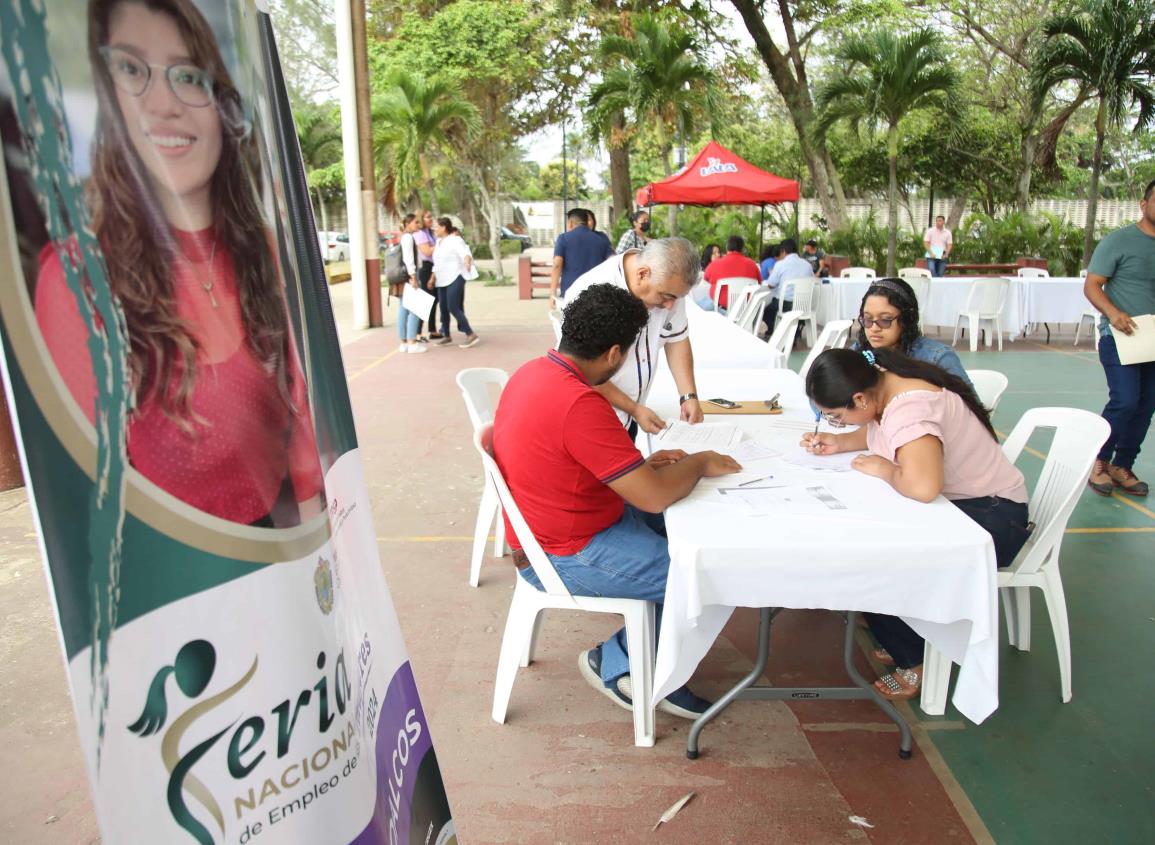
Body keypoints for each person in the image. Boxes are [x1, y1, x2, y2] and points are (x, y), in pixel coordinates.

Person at [35, 0, 323, 527]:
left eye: (188, 76)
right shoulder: (79, 279)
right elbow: (94, 512)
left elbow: (308, 438)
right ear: (107, 96)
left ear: (221, 105)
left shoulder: (266, 253)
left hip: (290, 566)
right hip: (183, 592)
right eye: (131, 69)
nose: (164, 103)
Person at [493, 282, 741, 717]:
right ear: (613, 354)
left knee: (693, 536)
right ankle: (620, 664)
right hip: (564, 552)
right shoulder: (581, 404)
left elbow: (585, 461)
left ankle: (637, 655)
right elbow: (653, 498)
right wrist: (699, 462)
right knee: (706, 574)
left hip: (556, 526)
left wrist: (646, 468)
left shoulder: (533, 372)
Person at [802, 347, 1030, 700]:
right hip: (968, 504)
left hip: (992, 518)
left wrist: (886, 469)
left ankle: (917, 656)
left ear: (860, 398)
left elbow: (923, 487)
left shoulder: (910, 409)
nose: (836, 422)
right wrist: (840, 442)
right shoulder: (885, 383)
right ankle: (899, 628)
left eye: (835, 416)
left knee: (876, 556)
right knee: (866, 536)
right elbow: (882, 430)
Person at [564, 237, 704, 439]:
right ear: (643, 274)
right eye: (665, 297)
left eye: (676, 298)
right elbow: (582, 368)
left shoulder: (670, 285)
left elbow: (676, 338)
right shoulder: (590, 291)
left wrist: (688, 396)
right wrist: (634, 409)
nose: (670, 306)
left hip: (632, 415)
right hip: (596, 417)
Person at [1084, 179, 1155, 497]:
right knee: (1125, 400)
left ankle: (1121, 465)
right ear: (1144, 204)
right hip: (1119, 336)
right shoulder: (1120, 241)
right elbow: (1092, 285)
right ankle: (1097, 461)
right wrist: (1113, 314)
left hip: (1152, 338)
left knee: (1146, 404)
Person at [853, 278, 970, 385]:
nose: (874, 328)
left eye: (885, 320)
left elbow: (968, 406)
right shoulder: (857, 351)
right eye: (868, 319)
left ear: (906, 319)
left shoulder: (938, 358)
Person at [549, 207, 614, 309]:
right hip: (597, 295)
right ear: (586, 221)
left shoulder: (563, 238)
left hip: (571, 294)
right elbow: (613, 261)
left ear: (570, 223)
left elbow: (557, 265)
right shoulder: (602, 239)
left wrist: (552, 294)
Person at [430, 217, 480, 348]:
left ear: (444, 227)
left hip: (455, 276)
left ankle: (470, 334)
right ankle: (446, 335)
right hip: (441, 279)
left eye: (437, 226)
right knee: (443, 308)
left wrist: (467, 261)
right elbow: (438, 262)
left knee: (453, 306)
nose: (434, 229)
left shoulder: (455, 240)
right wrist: (432, 277)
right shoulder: (438, 242)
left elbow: (465, 253)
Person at [760, 238, 814, 337]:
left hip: (785, 305)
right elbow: (812, 281)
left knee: (765, 311)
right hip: (804, 305)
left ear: (783, 251)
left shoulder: (780, 265)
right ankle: (794, 331)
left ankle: (779, 333)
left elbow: (771, 284)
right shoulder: (807, 265)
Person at [701, 235, 761, 311]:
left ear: (727, 247)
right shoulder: (753, 265)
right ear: (742, 249)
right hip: (745, 311)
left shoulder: (715, 264)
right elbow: (759, 284)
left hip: (720, 311)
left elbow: (706, 279)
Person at [396, 213, 427, 354]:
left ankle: (404, 343)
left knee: (403, 309)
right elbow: (409, 258)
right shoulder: (408, 237)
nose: (418, 225)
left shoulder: (403, 236)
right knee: (415, 309)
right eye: (416, 222)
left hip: (404, 277)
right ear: (408, 223)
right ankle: (412, 343)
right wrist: (413, 277)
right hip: (410, 276)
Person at [413, 209, 438, 341]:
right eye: (428, 217)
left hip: (435, 268)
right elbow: (427, 252)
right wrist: (440, 244)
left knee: (434, 299)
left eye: (431, 217)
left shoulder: (431, 233)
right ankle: (417, 331)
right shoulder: (420, 234)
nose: (431, 219)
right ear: (422, 219)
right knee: (425, 300)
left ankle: (432, 329)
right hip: (425, 268)